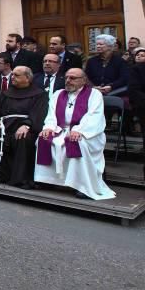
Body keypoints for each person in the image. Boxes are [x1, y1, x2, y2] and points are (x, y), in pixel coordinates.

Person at [35, 68, 116, 200]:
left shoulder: (94, 94)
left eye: (73, 78)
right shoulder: (58, 94)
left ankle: (82, 185)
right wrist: (49, 127)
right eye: (66, 77)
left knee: (78, 143)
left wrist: (79, 130)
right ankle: (48, 181)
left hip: (86, 132)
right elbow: (51, 115)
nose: (68, 80)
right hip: (60, 129)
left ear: (83, 80)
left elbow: (94, 116)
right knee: (43, 139)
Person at [0, 66, 48, 188]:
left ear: (27, 78)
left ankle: (20, 178)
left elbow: (39, 113)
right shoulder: (6, 93)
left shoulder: (39, 94)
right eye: (12, 75)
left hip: (25, 126)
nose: (12, 77)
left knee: (23, 138)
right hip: (5, 125)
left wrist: (27, 125)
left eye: (16, 75)